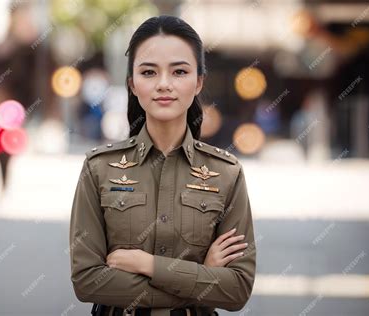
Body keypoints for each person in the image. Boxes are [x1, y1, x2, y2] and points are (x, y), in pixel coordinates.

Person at [69, 15, 256, 316]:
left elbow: (236, 289)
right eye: (149, 72)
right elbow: (87, 281)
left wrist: (147, 265)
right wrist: (200, 279)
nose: (164, 84)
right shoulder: (99, 168)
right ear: (132, 83)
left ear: (198, 83)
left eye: (179, 71)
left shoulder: (226, 173)